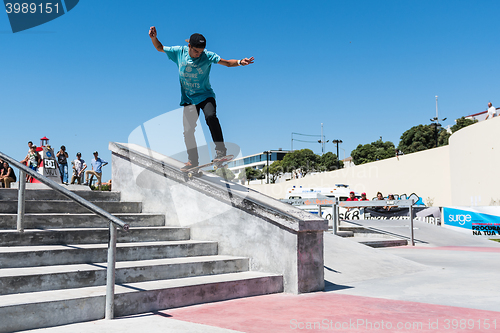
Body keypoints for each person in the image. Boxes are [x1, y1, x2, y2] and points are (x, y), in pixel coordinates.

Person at [149, 27, 254, 172]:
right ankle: (193, 161)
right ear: (189, 46)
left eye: (201, 51)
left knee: (211, 116)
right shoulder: (179, 52)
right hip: (188, 99)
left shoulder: (207, 56)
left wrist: (241, 61)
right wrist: (154, 38)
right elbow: (160, 48)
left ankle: (220, 152)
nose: (199, 54)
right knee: (188, 131)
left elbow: (227, 63)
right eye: (196, 51)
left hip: (206, 96)